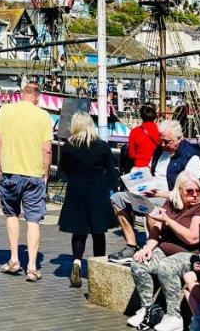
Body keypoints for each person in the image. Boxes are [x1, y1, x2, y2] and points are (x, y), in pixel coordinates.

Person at [110, 120, 200, 263]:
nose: (163, 145)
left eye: (167, 142)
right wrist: (137, 174)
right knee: (117, 198)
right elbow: (149, 169)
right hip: (150, 192)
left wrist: (157, 193)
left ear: (179, 139)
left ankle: (151, 247)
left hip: (171, 199)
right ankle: (131, 245)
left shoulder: (191, 156)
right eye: (161, 141)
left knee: (152, 207)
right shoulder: (160, 150)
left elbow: (192, 191)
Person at [126, 173, 200, 331]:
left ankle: (174, 316)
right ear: (179, 191)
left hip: (190, 254)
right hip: (164, 249)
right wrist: (148, 247)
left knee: (166, 266)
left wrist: (168, 221)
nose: (195, 194)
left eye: (198, 191)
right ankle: (147, 310)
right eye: (189, 191)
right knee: (139, 263)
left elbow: (193, 239)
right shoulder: (171, 203)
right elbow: (157, 228)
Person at [0, 82, 53, 283]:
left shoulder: (6, 111)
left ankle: (14, 260)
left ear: (21, 95)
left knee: (11, 214)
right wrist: (45, 174)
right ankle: (32, 266)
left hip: (9, 172)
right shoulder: (43, 116)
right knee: (33, 219)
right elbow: (47, 150)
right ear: (37, 97)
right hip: (34, 174)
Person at [58, 111, 117, 289]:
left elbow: (63, 171)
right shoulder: (102, 146)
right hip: (97, 190)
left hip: (77, 190)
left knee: (79, 230)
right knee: (99, 231)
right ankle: (98, 267)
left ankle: (76, 263)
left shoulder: (69, 146)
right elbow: (111, 171)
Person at [127, 103, 161, 169]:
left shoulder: (135, 132)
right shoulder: (160, 130)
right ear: (155, 115)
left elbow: (131, 154)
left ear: (141, 115)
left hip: (140, 168)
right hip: (156, 167)